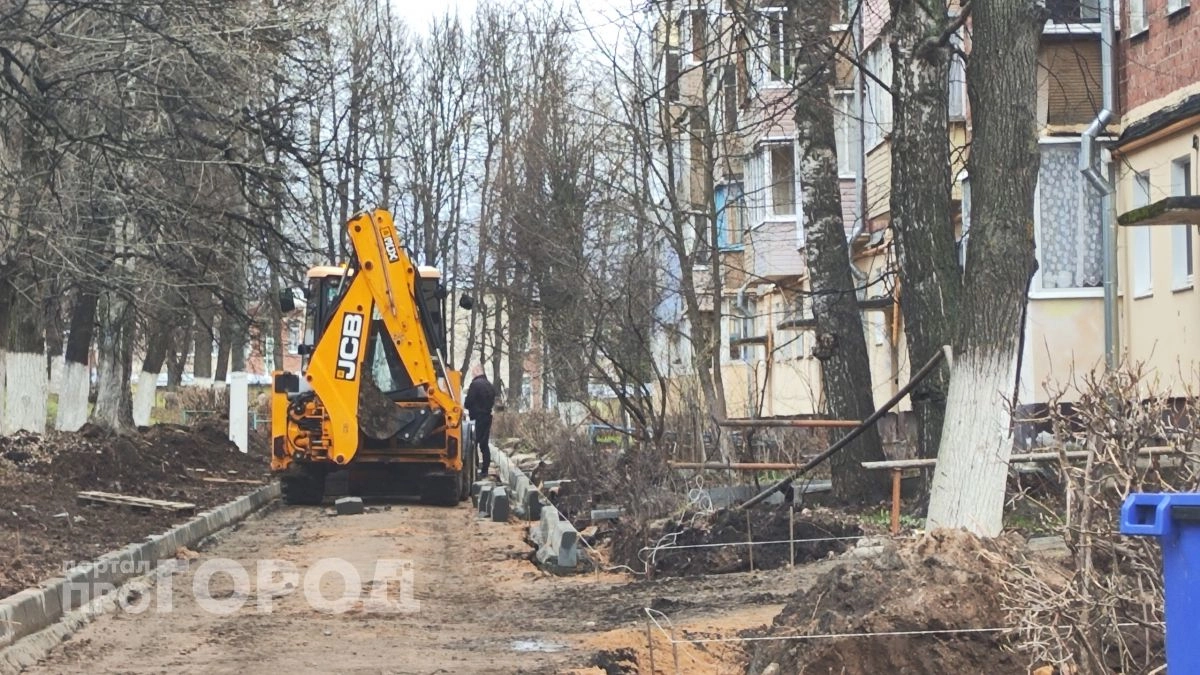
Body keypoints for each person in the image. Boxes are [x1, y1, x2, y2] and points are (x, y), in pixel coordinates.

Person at [463, 364, 496, 478]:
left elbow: (468, 402)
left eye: (473, 372)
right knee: (484, 444)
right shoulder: (490, 385)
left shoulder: (475, 385)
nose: (472, 375)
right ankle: (485, 469)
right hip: (487, 416)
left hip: (476, 417)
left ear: (477, 371)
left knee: (473, 443)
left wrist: (468, 406)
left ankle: (475, 466)